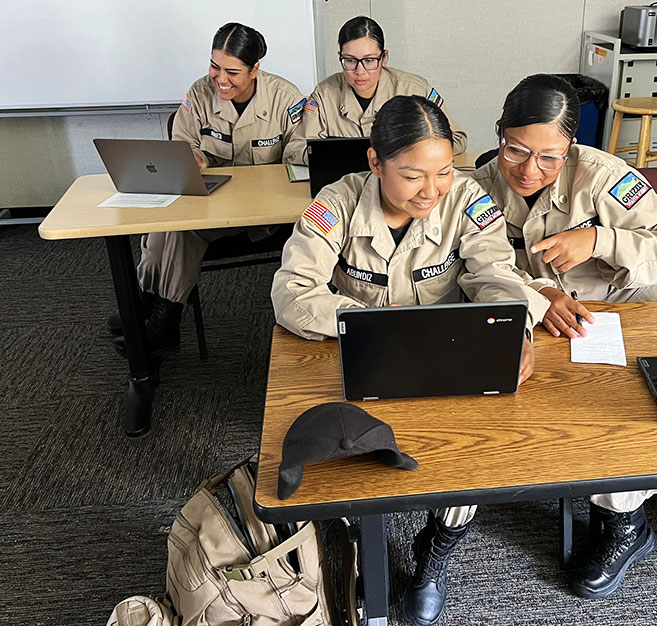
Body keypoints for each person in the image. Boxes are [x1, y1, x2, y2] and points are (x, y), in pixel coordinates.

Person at [272, 95, 548, 626]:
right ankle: (355, 548)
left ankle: (434, 556)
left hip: (444, 361)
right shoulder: (337, 201)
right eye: (412, 175)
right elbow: (291, 293)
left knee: (465, 460)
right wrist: (367, 322)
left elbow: (495, 273)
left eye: (443, 171)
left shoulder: (467, 198)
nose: (432, 190)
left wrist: (518, 329)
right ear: (375, 163)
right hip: (365, 360)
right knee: (345, 464)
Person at [472, 74, 657, 598]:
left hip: (643, 300)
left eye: (549, 157)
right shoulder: (479, 186)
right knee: (604, 416)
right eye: (515, 150)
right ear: (499, 133)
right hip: (566, 319)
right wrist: (538, 292)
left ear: (570, 147)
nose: (529, 169)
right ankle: (623, 522)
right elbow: (481, 263)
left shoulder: (603, 175)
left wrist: (600, 238)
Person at [108, 22, 306, 355]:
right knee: (169, 226)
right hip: (210, 203)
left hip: (263, 212)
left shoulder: (286, 97)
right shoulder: (198, 93)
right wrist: (194, 157)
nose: (220, 79)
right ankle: (157, 314)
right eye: (214, 66)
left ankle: (157, 313)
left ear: (255, 68)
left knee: (179, 231)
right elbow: (181, 145)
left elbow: (300, 150)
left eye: (232, 71)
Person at [285, 15, 466, 165]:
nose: (360, 71)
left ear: (384, 57)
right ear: (340, 57)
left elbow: (457, 139)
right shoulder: (324, 94)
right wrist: (332, 157)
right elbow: (294, 148)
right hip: (344, 184)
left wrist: (409, 151)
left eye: (369, 60)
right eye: (350, 60)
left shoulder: (415, 89)